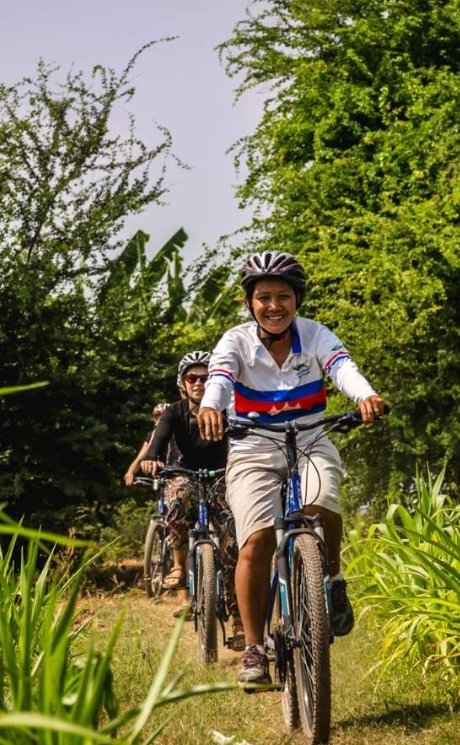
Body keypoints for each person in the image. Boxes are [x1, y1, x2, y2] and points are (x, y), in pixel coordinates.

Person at [197, 251, 386, 686]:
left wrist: (365, 396)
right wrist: (210, 407)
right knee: (256, 539)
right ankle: (254, 647)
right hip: (253, 446)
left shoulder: (316, 334)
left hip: (311, 438)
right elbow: (220, 379)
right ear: (250, 303)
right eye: (264, 297)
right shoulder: (235, 341)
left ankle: (333, 580)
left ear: (296, 300)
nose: (274, 305)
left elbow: (342, 367)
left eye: (284, 296)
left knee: (323, 503)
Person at [140, 351, 244, 647]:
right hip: (185, 472)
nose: (199, 383)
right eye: (192, 378)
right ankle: (178, 566)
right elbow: (158, 438)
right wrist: (151, 458)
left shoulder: (228, 410)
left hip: (222, 476)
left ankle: (239, 621)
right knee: (177, 498)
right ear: (182, 384)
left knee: (232, 544)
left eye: (206, 377)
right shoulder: (174, 411)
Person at [122, 403, 171, 486]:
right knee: (158, 489)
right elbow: (140, 458)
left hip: (179, 471)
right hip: (161, 475)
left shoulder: (179, 431)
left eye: (164, 417)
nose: (160, 420)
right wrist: (130, 473)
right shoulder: (153, 434)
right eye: (157, 417)